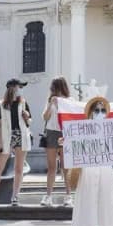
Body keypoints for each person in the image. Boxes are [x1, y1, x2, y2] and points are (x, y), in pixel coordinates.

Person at [66, 97, 113, 226]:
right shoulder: (83, 128)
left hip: (105, 170)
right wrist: (67, 141)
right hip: (87, 170)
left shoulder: (112, 128)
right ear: (90, 112)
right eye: (97, 110)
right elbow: (74, 143)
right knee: (88, 203)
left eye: (103, 110)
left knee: (106, 204)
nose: (100, 113)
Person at [0, 79, 32, 207]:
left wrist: (27, 117)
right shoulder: (1, 104)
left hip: (21, 136)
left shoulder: (23, 102)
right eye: (20, 86)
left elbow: (29, 122)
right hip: (6, 138)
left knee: (18, 168)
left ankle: (15, 197)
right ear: (13, 88)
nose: (21, 89)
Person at [40, 76, 73, 207]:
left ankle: (69, 196)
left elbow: (72, 116)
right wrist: (51, 105)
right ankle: (48, 196)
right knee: (52, 167)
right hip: (51, 133)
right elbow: (45, 117)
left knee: (66, 167)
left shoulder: (70, 100)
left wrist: (61, 104)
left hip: (65, 133)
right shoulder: (50, 100)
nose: (52, 90)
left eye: (54, 87)